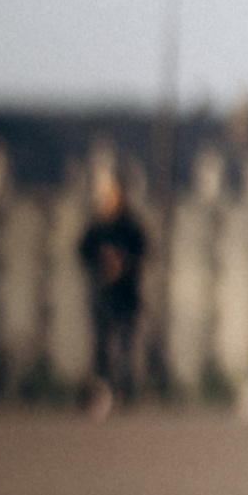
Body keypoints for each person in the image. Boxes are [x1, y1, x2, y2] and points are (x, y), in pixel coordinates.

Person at [77, 167, 149, 416]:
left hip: (126, 297)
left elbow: (143, 254)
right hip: (101, 297)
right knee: (100, 349)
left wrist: (123, 262)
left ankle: (125, 396)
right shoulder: (97, 227)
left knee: (125, 350)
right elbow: (82, 254)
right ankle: (100, 397)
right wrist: (103, 261)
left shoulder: (131, 227)